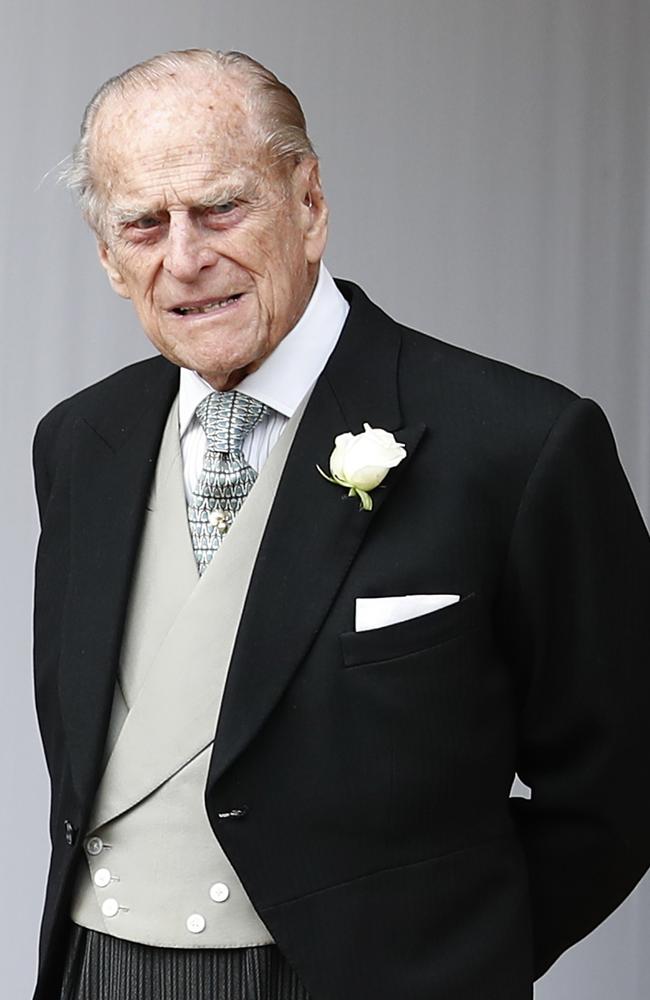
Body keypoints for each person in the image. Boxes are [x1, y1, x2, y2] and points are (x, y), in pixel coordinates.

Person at [32, 48, 650, 1000]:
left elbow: (624, 783)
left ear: (310, 205)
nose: (186, 258)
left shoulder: (521, 443)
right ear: (110, 261)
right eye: (144, 224)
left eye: (221, 208)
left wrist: (449, 958)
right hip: (98, 971)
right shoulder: (78, 443)